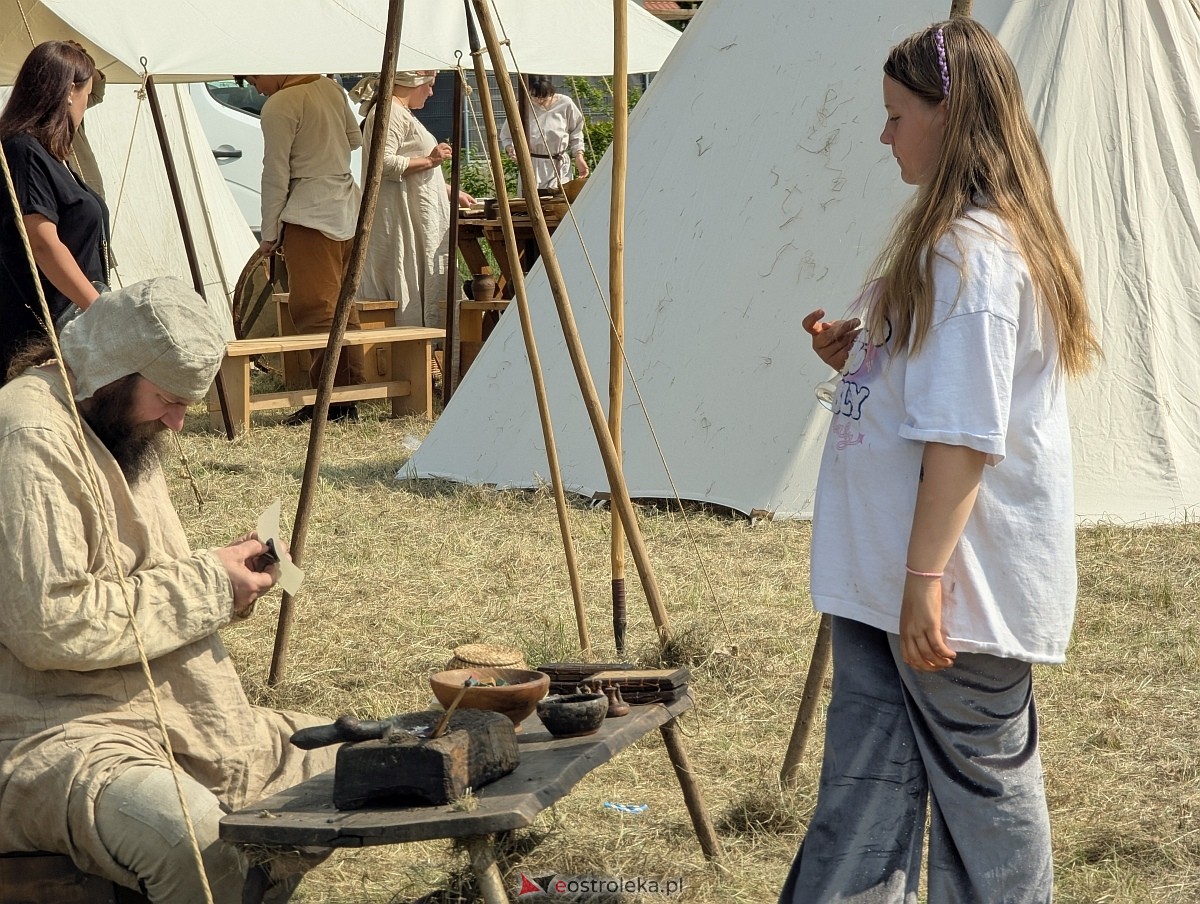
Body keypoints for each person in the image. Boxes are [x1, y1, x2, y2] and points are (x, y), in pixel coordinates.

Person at [779, 18, 1099, 903]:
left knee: (982, 808)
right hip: (890, 581)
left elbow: (964, 437)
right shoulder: (951, 247)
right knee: (864, 796)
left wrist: (925, 578)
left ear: (947, 118)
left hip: (951, 594)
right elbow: (938, 381)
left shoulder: (976, 259)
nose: (883, 135)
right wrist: (867, 350)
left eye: (895, 116)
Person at [0, 276, 337, 903]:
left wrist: (227, 573)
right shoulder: (30, 436)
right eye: (168, 399)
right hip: (54, 730)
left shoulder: (114, 420)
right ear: (114, 370)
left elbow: (141, 573)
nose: (179, 422)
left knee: (346, 769)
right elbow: (49, 622)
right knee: (193, 836)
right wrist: (211, 583)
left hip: (165, 712)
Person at [244, 72, 364, 424]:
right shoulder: (330, 87)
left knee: (316, 307)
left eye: (252, 77)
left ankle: (333, 401)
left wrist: (269, 231)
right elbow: (353, 139)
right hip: (344, 203)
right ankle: (349, 393)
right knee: (343, 303)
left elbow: (276, 171)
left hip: (311, 212)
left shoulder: (280, 103)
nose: (254, 86)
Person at [0, 40, 110, 380]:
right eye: (86, 95)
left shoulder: (52, 155)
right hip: (36, 330)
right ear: (67, 93)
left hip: (65, 325)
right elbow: (43, 242)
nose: (84, 106)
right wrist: (99, 308)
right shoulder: (23, 150)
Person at [351, 70, 474, 329]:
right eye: (429, 86)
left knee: (426, 278)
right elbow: (382, 163)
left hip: (417, 214)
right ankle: (414, 350)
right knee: (406, 279)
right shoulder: (390, 112)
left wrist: (450, 190)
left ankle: (432, 347)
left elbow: (413, 167)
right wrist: (432, 159)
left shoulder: (401, 112)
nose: (431, 93)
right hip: (401, 217)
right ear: (413, 83)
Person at [499, 75, 589, 193]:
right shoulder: (521, 106)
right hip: (532, 165)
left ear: (551, 91)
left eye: (544, 97)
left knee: (560, 203)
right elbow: (506, 135)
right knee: (531, 204)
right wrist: (511, 148)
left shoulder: (565, 103)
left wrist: (579, 155)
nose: (540, 100)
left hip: (559, 164)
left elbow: (576, 131)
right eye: (535, 96)